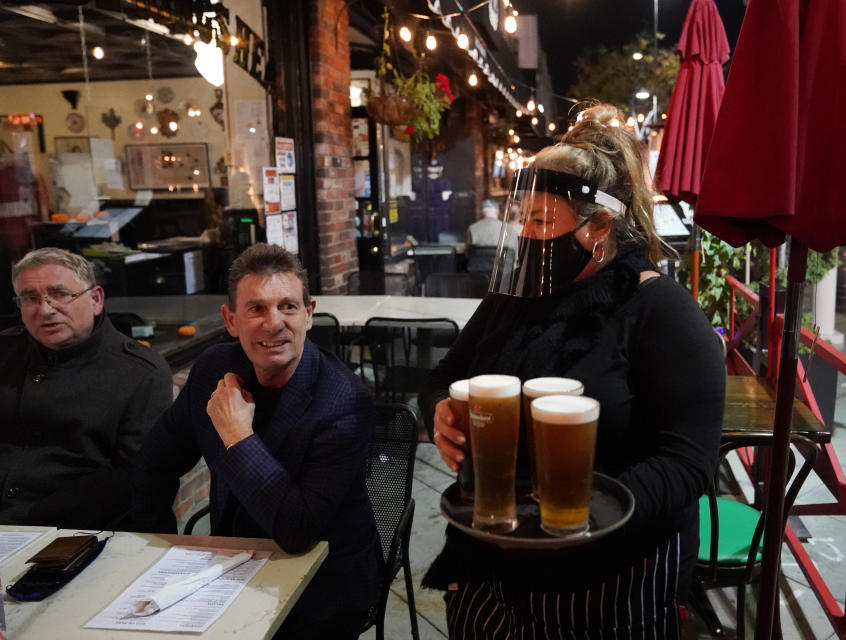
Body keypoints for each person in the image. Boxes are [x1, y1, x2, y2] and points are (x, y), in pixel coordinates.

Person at [419, 103, 726, 639]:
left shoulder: (662, 312)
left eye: (541, 221)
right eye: (522, 218)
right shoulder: (513, 296)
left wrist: (587, 511)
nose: (527, 235)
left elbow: (687, 463)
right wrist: (440, 412)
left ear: (598, 226)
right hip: (489, 569)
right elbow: (445, 375)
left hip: (608, 588)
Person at [132, 243, 379, 640]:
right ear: (230, 320)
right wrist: (163, 552)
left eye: (288, 307)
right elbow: (154, 463)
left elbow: (297, 531)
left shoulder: (343, 402)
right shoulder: (214, 367)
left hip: (323, 586)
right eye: (256, 309)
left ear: (309, 314)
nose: (274, 323)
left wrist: (236, 435)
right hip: (228, 570)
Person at [0, 247, 171, 529]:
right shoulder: (5, 351)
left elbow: (132, 479)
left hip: (85, 532)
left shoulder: (141, 373)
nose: (45, 309)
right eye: (30, 298)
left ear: (95, 299)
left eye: (60, 294)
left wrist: (23, 522)